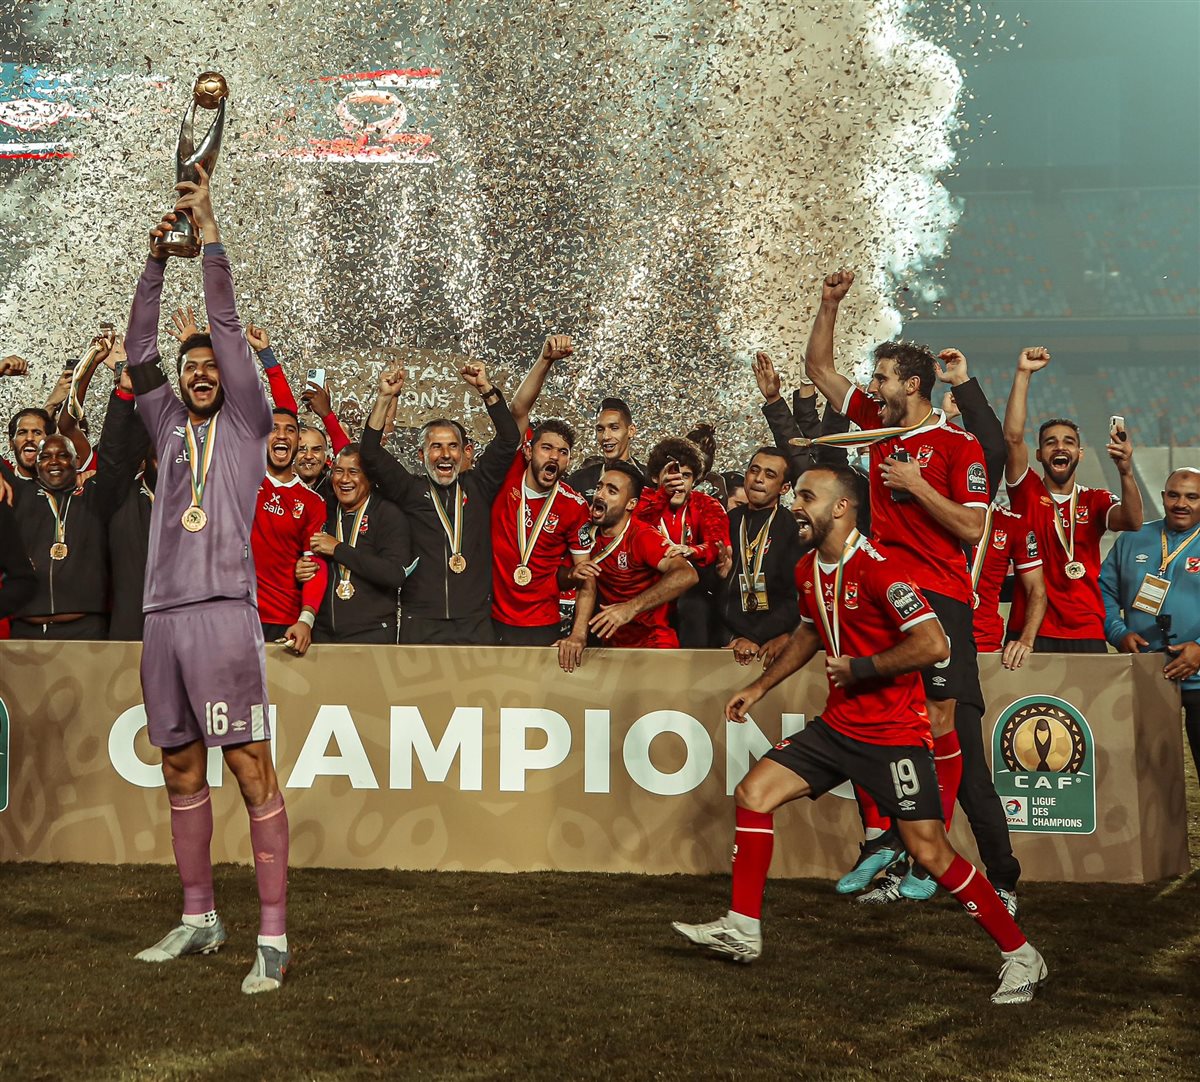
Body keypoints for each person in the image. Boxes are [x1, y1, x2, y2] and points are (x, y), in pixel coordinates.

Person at [671, 465, 1048, 1005]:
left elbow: (935, 644)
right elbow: (809, 631)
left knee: (930, 851)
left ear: (841, 508)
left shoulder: (881, 571)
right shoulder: (808, 568)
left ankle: (1022, 954)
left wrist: (862, 668)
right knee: (754, 793)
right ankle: (743, 927)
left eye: (807, 496)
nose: (795, 505)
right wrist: (758, 688)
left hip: (894, 737)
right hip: (838, 728)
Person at [124, 165, 290, 994]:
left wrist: (211, 233)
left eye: (210, 365)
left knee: (250, 769)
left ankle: (273, 936)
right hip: (163, 616)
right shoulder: (161, 420)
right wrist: (158, 259)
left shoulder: (250, 422)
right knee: (179, 768)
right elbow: (137, 351)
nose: (199, 371)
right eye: (190, 365)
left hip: (225, 613)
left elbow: (223, 324)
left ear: (227, 374)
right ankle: (199, 918)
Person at [804, 271, 990, 904]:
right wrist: (829, 303)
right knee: (866, 713)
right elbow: (819, 369)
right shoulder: (877, 426)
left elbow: (972, 526)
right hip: (883, 592)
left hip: (940, 595)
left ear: (912, 384)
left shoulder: (957, 446)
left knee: (937, 720)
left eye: (881, 378)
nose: (873, 387)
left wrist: (917, 486)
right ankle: (884, 837)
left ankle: (926, 852)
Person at [360, 361, 520, 644]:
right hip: (421, 621)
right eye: (436, 446)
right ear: (422, 455)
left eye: (453, 446)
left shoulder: (480, 486)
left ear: (463, 452)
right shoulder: (410, 490)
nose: (446, 454)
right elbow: (370, 453)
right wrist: (384, 397)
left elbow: (509, 438)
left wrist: (485, 389)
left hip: (474, 622)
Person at [1002, 346, 1143, 651]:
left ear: (1079, 453)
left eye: (1068, 442)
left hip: (1086, 628)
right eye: (1050, 442)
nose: (1059, 447)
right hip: (1030, 630)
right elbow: (1012, 438)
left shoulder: (1095, 500)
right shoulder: (1026, 491)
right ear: (1039, 454)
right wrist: (1024, 373)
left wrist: (1126, 471)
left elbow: (1132, 521)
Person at [3, 379, 138, 639]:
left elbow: (114, 451)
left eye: (63, 455)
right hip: (26, 632)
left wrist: (124, 394)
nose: (54, 461)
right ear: (36, 463)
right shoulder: (18, 494)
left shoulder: (95, 495)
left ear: (77, 460)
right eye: (45, 456)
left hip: (85, 630)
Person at [1101, 466, 1200, 775]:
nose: (1181, 504)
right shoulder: (1134, 538)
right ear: (1162, 496)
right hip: (1146, 672)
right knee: (1148, 774)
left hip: (1199, 676)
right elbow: (1102, 592)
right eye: (1173, 495)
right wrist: (1117, 631)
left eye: (1192, 497)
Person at [490, 419, 594, 654]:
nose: (554, 457)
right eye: (546, 448)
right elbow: (519, 411)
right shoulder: (507, 477)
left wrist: (578, 634)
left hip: (542, 623)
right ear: (528, 451)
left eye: (563, 452)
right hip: (493, 618)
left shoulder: (574, 506)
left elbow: (586, 576)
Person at [569, 461, 698, 650]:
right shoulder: (587, 533)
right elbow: (584, 585)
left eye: (612, 491)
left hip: (653, 646)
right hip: (613, 646)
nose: (600, 495)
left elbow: (687, 574)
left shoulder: (642, 536)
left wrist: (631, 607)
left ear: (631, 504)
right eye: (599, 487)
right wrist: (578, 635)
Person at [302, 444, 412, 644]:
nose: (344, 479)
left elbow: (395, 574)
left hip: (372, 633)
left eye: (353, 472)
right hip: (323, 633)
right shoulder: (323, 510)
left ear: (369, 478)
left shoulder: (388, 514)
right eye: (338, 471)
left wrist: (338, 549)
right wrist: (301, 567)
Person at [638, 436, 731, 648]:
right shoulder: (644, 504)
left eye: (686, 476)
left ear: (694, 479)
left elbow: (715, 542)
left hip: (691, 591)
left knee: (694, 604)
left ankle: (693, 665)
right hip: (648, 589)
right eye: (671, 476)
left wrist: (692, 550)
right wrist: (662, 496)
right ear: (655, 477)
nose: (678, 483)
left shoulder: (707, 505)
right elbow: (635, 529)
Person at [251, 407, 329, 655]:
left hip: (281, 619)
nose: (282, 435)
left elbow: (315, 564)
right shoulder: (238, 481)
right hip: (232, 614)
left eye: (290, 430)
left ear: (298, 441)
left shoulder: (313, 502)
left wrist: (306, 620)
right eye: (273, 429)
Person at [718, 448, 803, 668]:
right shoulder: (728, 521)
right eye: (754, 470)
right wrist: (717, 573)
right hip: (727, 638)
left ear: (784, 488)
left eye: (770, 474)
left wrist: (756, 636)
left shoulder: (792, 529)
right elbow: (714, 592)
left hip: (770, 640)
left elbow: (797, 598)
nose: (758, 479)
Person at [565, 397, 646, 503]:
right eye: (600, 429)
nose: (606, 436)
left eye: (614, 428)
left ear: (631, 431)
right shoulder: (578, 481)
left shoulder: (651, 480)